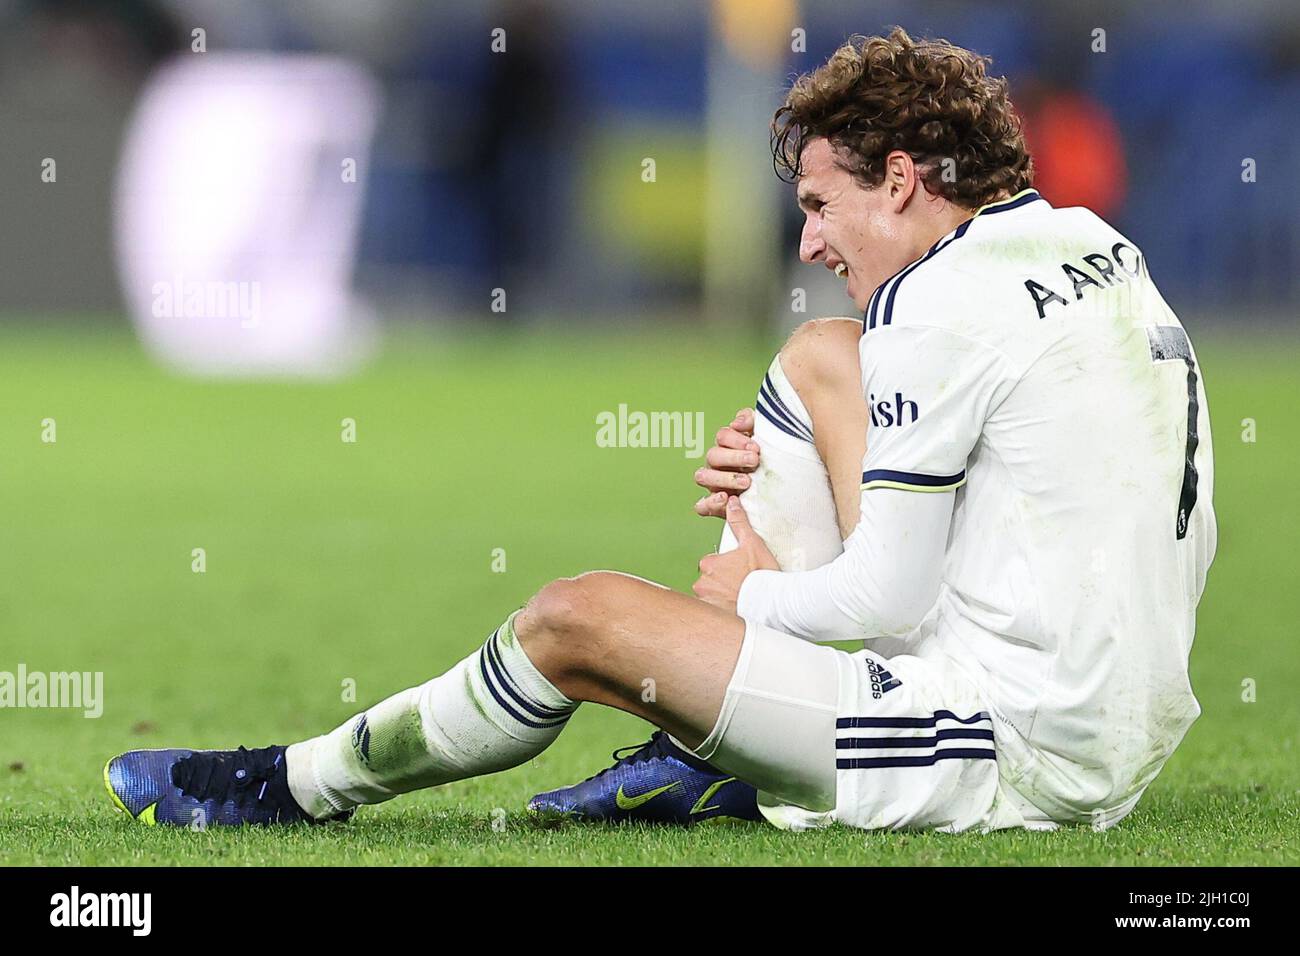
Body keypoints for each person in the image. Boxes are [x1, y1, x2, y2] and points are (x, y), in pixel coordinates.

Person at [104, 27, 1215, 834]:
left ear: (900, 179)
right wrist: (828, 460)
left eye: (821, 208)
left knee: (576, 619)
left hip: (1007, 749)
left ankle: (286, 785)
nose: (809, 245)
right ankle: (708, 743)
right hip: (1120, 707)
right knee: (821, 356)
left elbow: (882, 597)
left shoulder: (938, 312)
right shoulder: (1089, 246)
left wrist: (751, 600)